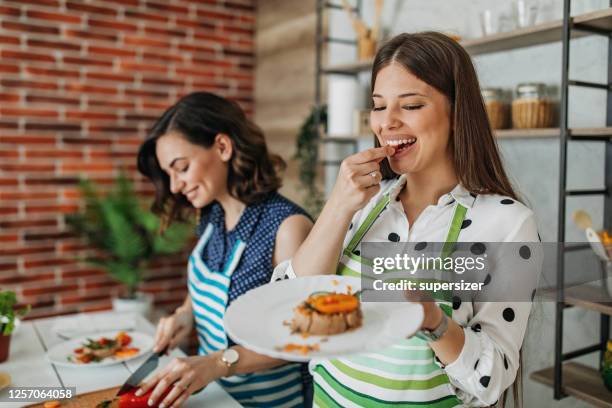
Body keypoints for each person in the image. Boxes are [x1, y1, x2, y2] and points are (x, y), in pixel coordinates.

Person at [277, 32, 541, 407]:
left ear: (456, 113)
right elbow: (289, 308)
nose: (387, 122)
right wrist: (338, 206)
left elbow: (493, 376)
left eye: (411, 105)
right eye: (379, 106)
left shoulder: (508, 223)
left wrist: (435, 323)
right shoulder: (364, 206)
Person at [136, 92, 313, 408]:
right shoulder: (211, 216)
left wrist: (217, 363)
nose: (175, 186)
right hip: (217, 397)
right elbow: (208, 283)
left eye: (182, 167)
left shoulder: (287, 226)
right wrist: (185, 314)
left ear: (222, 147)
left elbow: (300, 338)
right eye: (168, 174)